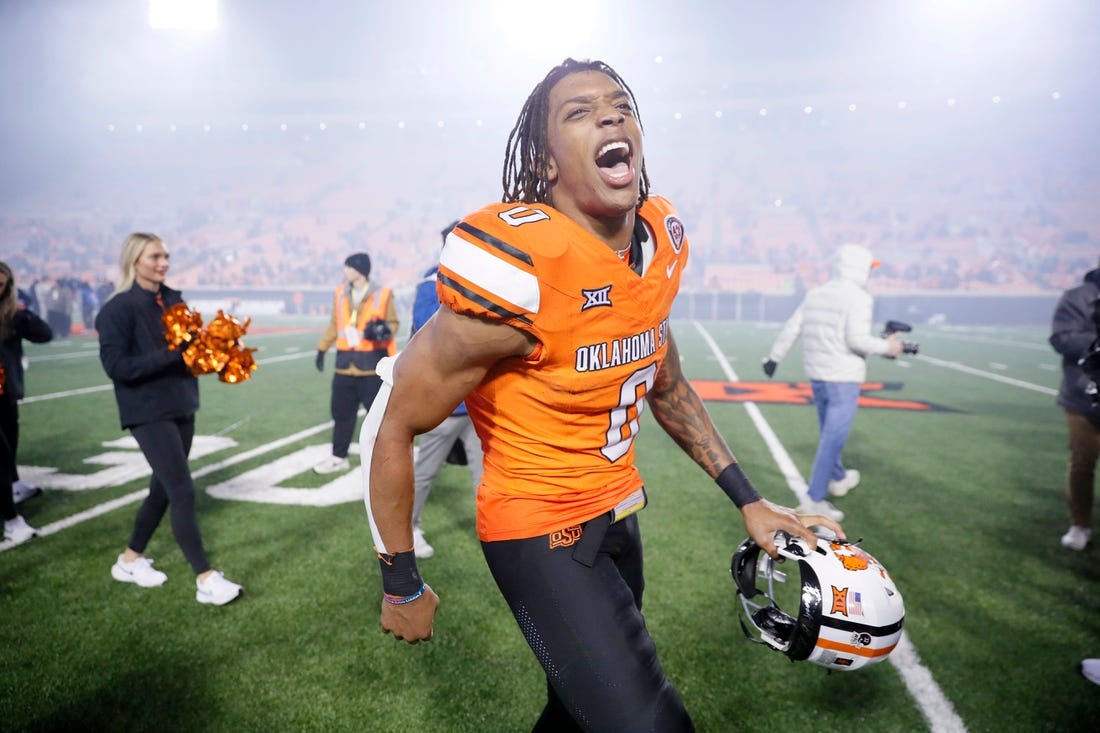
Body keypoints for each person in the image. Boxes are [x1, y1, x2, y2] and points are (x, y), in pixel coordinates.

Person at [359, 58, 843, 732]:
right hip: (537, 532)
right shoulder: (521, 272)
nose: (610, 115)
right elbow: (396, 421)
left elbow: (665, 382)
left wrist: (748, 498)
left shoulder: (657, 242)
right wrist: (399, 576)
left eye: (619, 104)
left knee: (576, 715)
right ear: (549, 161)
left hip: (617, 518)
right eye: (578, 112)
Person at [95, 233, 242, 605]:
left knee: (161, 489)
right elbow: (116, 367)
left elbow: (189, 352)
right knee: (181, 489)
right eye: (155, 256)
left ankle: (129, 559)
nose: (163, 263)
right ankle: (205, 578)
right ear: (134, 260)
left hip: (181, 403)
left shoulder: (174, 299)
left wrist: (220, 353)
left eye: (166, 256)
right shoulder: (117, 309)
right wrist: (172, 355)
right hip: (146, 409)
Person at [763, 243, 903, 522]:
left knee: (829, 430)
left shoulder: (816, 294)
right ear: (859, 268)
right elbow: (856, 340)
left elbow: (793, 327)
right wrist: (888, 347)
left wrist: (774, 358)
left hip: (817, 375)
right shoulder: (859, 298)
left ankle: (838, 477)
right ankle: (814, 500)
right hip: (843, 378)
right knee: (833, 437)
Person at [407, 221, 485, 559]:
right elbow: (434, 334)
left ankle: (494, 533)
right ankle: (409, 529)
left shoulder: (484, 279)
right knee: (424, 472)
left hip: (479, 402)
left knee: (488, 476)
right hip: (446, 402)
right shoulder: (431, 283)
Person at [313, 252, 398, 474]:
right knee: (341, 414)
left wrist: (383, 330)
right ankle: (338, 457)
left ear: (359, 269)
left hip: (371, 366)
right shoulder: (341, 292)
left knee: (379, 419)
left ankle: (385, 461)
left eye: (349, 268)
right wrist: (322, 348)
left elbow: (393, 323)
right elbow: (335, 324)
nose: (345, 271)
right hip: (344, 365)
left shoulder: (383, 293)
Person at [1049, 257, 1100, 551]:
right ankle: (1079, 524)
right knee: (1082, 463)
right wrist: (1096, 342)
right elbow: (1061, 338)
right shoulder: (1078, 297)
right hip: (1084, 395)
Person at [1, 261, 53, 545]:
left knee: (10, 439)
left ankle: (14, 484)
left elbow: (45, 334)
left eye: (2, 286)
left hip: (6, 390)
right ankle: (11, 520)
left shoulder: (12, 316)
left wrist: (24, 315)